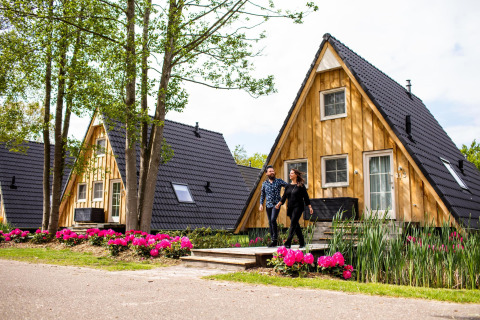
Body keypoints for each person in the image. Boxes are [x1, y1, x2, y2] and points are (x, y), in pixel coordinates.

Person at [275, 168, 313, 249]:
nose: (290, 174)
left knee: (293, 223)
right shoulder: (288, 186)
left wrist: (310, 207)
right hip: (290, 207)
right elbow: (284, 197)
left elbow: (306, 197)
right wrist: (279, 204)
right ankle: (302, 242)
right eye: (290, 173)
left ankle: (288, 243)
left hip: (298, 207)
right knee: (296, 225)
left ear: (296, 175)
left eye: (292, 173)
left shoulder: (301, 186)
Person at [259, 165, 288, 247]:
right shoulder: (264, 184)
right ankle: (273, 240)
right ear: (267, 173)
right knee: (270, 222)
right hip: (268, 205)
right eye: (270, 171)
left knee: (272, 219)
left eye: (273, 171)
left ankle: (275, 239)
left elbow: (288, 187)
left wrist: (283, 198)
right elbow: (262, 195)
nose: (272, 172)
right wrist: (261, 204)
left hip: (276, 204)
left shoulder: (279, 181)